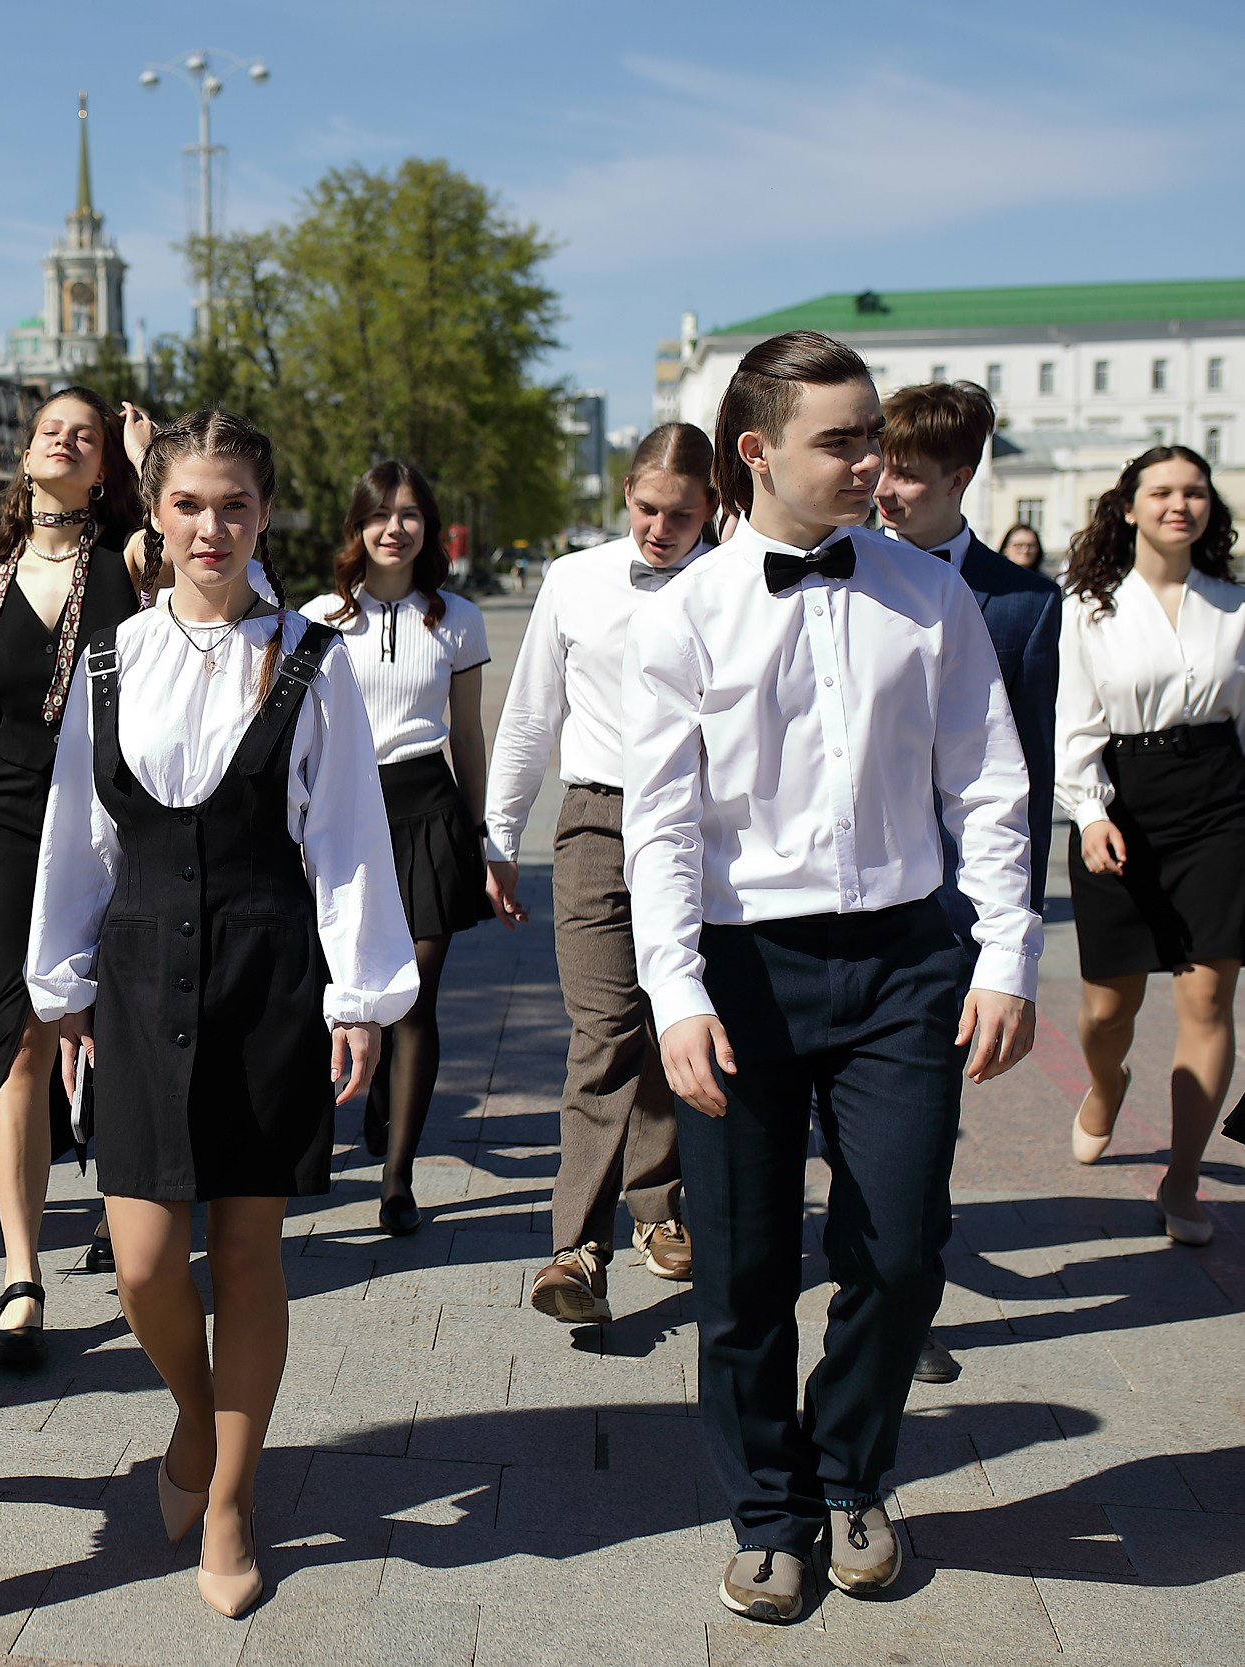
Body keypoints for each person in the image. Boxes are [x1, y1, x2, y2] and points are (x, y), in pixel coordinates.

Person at [625, 331, 1038, 1622]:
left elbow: (990, 782)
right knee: (744, 1271)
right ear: (757, 453)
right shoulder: (684, 613)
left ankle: (855, 1468)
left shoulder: (934, 594)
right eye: (843, 439)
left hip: (905, 958)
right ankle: (769, 1505)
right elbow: (659, 822)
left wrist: (1009, 949)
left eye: (875, 438)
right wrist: (677, 994)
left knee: (903, 1247)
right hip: (744, 968)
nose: (874, 460)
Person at [30, 409, 420, 1620]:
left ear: (264, 514)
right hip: (140, 974)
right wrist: (60, 982)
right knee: (143, 1259)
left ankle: (235, 1497)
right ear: (154, 509)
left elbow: (350, 838)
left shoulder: (311, 654)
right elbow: (77, 837)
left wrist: (361, 993)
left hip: (267, 972)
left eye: (235, 504)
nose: (212, 525)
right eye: (189, 503)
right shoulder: (109, 658)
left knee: (249, 1250)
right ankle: (196, 1423)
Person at [482, 424, 714, 1322]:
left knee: (675, 1024)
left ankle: (659, 1205)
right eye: (647, 508)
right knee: (606, 1028)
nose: (660, 527)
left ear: (715, 506)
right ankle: (575, 1248)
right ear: (625, 495)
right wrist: (500, 835)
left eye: (682, 514)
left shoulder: (735, 586)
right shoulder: (575, 579)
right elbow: (532, 711)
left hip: (702, 826)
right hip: (595, 823)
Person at [0, 386, 144, 1366]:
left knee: (115, 1024)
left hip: (114, 820)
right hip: (2, 822)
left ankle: (123, 1198)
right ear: (25, 455)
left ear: (106, 463)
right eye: (50, 426)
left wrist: (150, 467)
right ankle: (23, 1270)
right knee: (19, 1037)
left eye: (89, 431)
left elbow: (218, 565)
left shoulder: (133, 566)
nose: (66, 435)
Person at [875, 381, 1062, 1380]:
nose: (884, 487)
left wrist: (1013, 943)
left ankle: (906, 1303)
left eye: (906, 471)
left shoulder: (1022, 604)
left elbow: (1023, 778)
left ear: (960, 477)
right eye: (878, 463)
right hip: (827, 898)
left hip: (946, 914)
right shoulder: (836, 566)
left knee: (920, 1127)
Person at [1057, 445, 1244, 1247]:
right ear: (1127, 506)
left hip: (1219, 803)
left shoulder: (1235, 603)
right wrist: (1090, 812)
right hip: (1122, 803)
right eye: (1162, 491)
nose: (1181, 504)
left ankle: (1182, 1179)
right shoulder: (1088, 606)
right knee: (1109, 1007)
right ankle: (1105, 1086)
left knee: (1207, 999)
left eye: (1195, 492)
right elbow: (1073, 726)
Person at [302, 460, 493, 1236]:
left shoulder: (456, 618)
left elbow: (471, 733)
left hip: (427, 810)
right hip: (342, 811)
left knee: (414, 993)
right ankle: (313, 1147)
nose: (395, 527)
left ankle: (397, 1177)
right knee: (333, 984)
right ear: (357, 527)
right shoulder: (319, 618)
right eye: (380, 514)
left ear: (429, 527)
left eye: (410, 514)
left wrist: (481, 836)